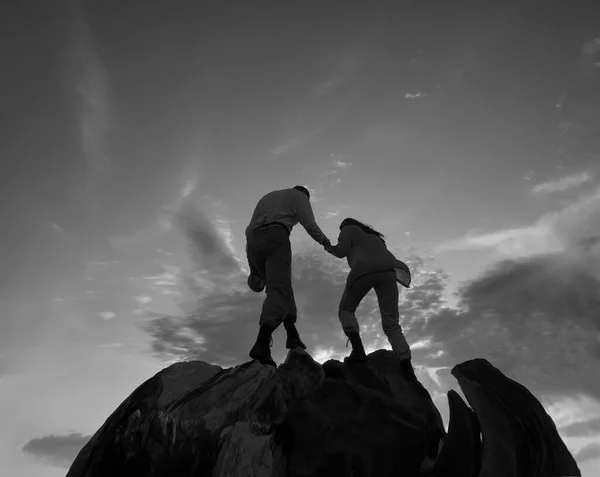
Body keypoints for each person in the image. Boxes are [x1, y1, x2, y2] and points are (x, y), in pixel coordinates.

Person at [245, 185, 333, 367]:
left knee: (280, 288)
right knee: (279, 289)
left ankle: (292, 335)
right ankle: (262, 342)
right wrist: (326, 243)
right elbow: (309, 224)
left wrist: (253, 266)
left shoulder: (268, 196)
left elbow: (248, 230)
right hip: (276, 236)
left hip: (254, 242)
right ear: (305, 195)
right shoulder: (299, 197)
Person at [325, 217, 414, 371]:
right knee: (391, 322)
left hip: (363, 272)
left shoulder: (349, 229)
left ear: (345, 225)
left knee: (346, 309)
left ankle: (358, 350)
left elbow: (341, 251)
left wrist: (327, 246)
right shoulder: (375, 238)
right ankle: (405, 362)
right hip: (387, 273)